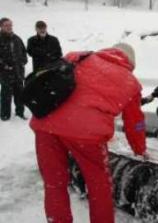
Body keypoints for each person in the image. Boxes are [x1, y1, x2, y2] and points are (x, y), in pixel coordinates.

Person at [30, 43, 147, 223]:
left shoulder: (76, 57)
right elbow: (135, 123)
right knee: (98, 185)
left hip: (45, 125)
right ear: (130, 63)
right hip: (86, 134)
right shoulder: (130, 82)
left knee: (54, 183)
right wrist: (140, 149)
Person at [0, 17, 27, 121]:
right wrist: (4, 66)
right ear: (1, 26)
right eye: (6, 25)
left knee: (20, 94)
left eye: (10, 25)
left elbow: (23, 52)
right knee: (6, 95)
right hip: (5, 73)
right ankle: (5, 115)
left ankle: (20, 113)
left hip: (18, 72)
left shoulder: (17, 38)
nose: (9, 27)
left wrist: (23, 62)